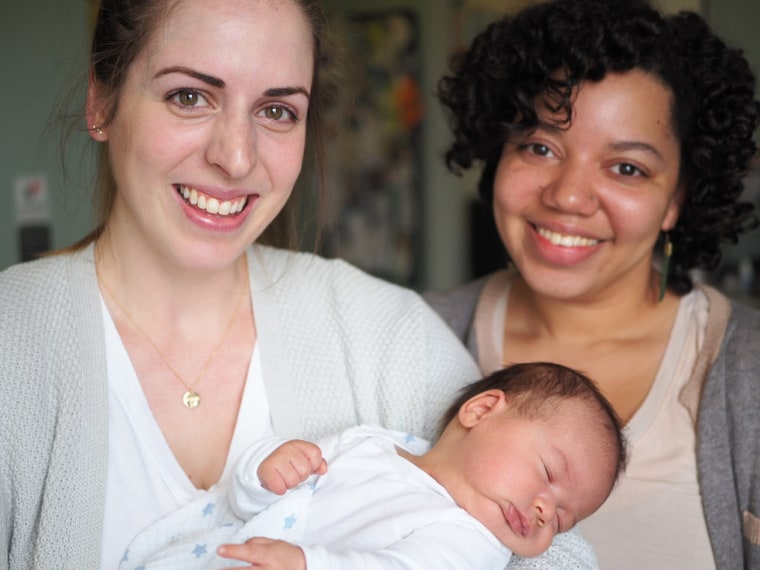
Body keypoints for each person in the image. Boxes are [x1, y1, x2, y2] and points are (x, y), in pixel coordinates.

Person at [0, 1, 484, 568]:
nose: (235, 157)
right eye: (189, 97)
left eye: (277, 110)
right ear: (100, 102)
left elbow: (550, 549)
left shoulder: (387, 334)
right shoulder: (13, 341)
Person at [426, 0, 760, 568]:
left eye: (626, 167)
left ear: (678, 199)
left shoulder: (748, 369)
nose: (568, 196)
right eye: (540, 147)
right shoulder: (412, 334)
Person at [119, 362, 627, 569]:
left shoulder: (469, 542)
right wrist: (266, 471)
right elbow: (246, 504)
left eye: (562, 519)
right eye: (546, 474)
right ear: (481, 411)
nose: (544, 512)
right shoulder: (373, 444)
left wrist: (308, 563)